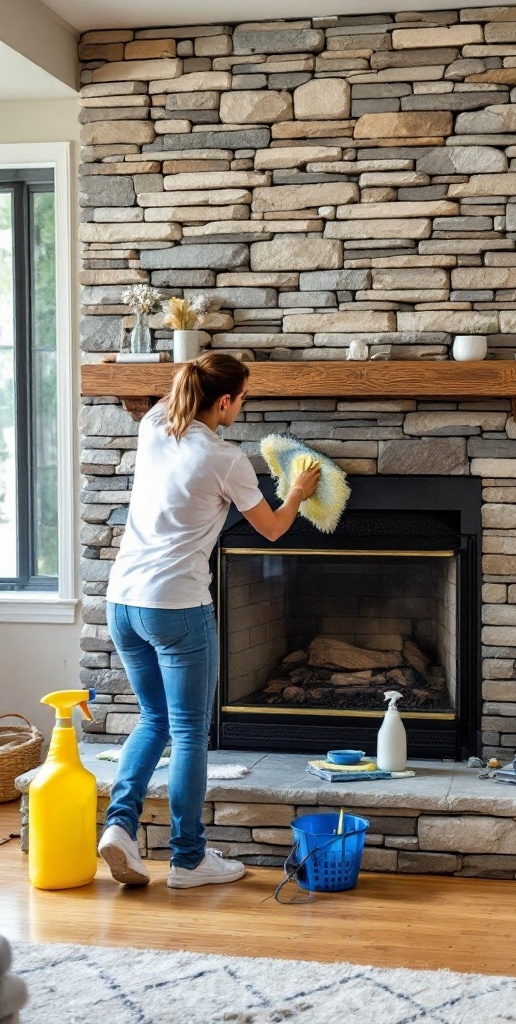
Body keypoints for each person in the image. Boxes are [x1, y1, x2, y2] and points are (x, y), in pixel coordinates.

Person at [98, 351, 320, 889]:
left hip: (123, 602)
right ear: (224, 401)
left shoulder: (154, 426)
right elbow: (271, 529)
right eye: (243, 398)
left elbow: (180, 386)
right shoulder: (226, 459)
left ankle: (120, 827)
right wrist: (296, 491)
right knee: (190, 732)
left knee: (153, 720)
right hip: (176, 608)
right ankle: (188, 858)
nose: (242, 407)